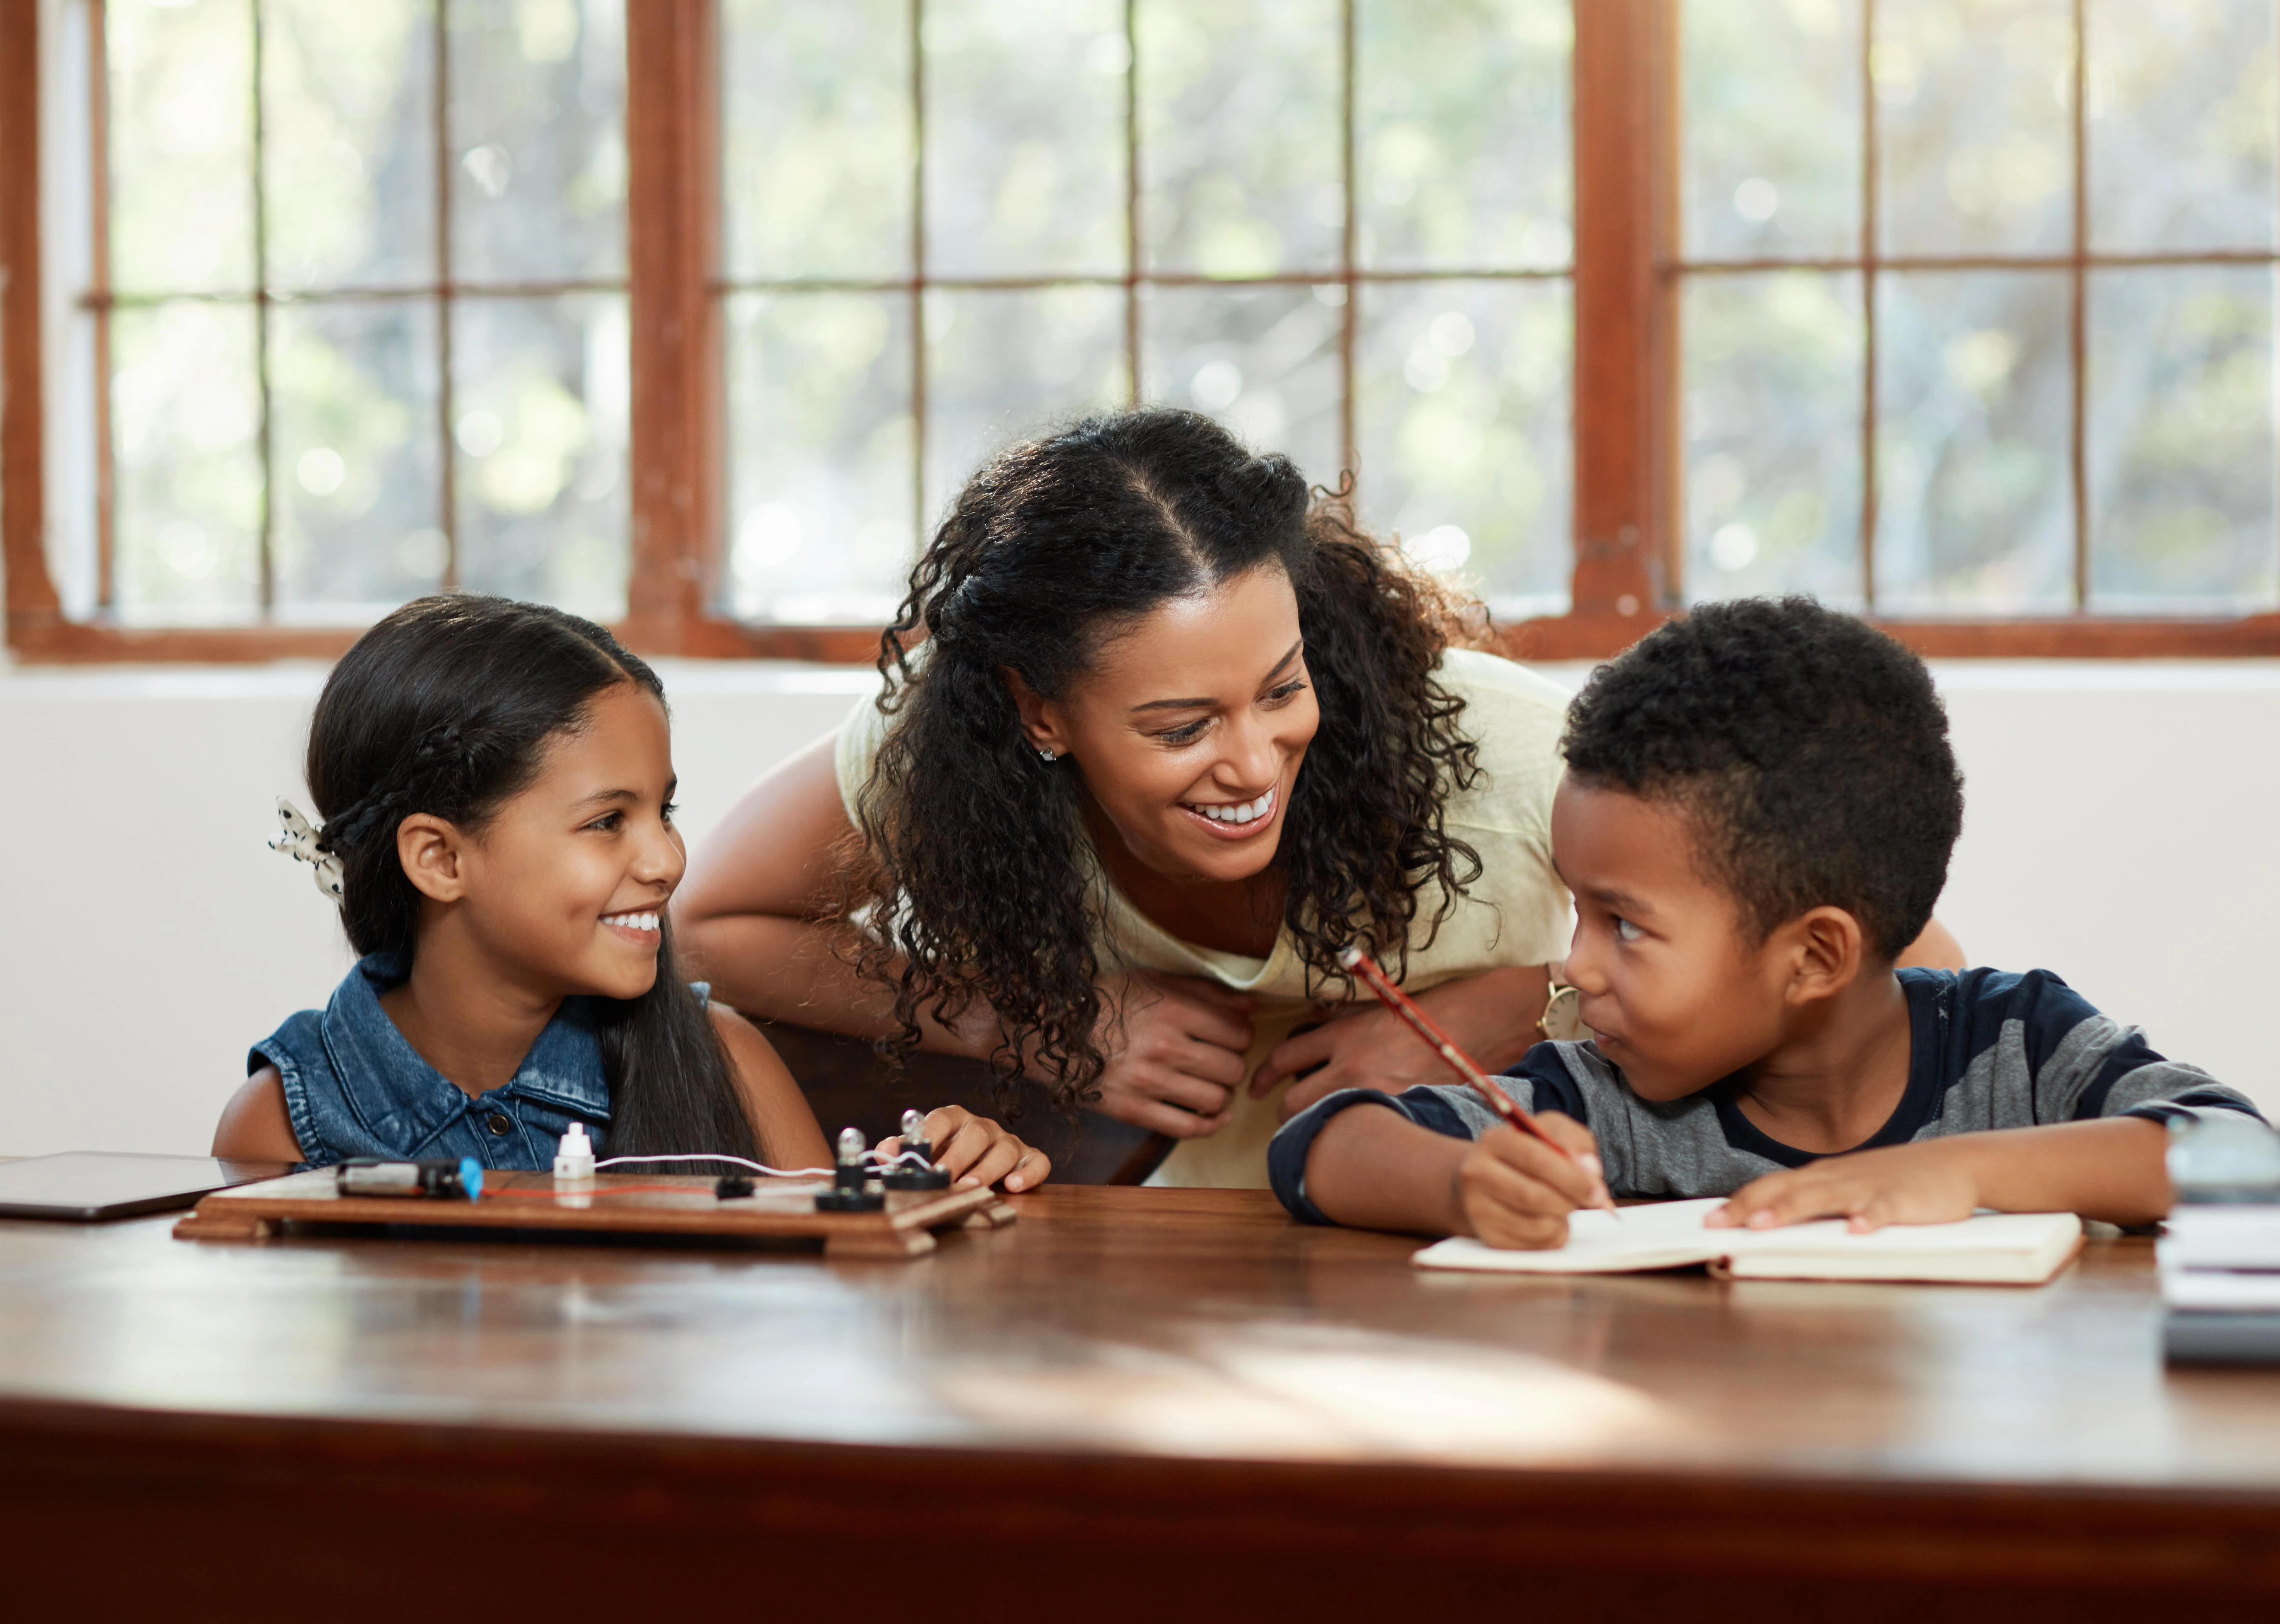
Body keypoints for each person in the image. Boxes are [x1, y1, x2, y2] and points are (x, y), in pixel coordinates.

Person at [677, 410, 1959, 1188]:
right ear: (1036, 712)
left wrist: (1533, 1002)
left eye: (1281, 688)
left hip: (1461, 1231)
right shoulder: (947, 741)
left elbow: (1898, 961)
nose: (1251, 759)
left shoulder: (1498, 745)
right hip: (1133, 1252)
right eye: (1180, 727)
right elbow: (715, 928)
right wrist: (1041, 1016)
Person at [1270, 596, 2262, 1243]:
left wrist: (1958, 1172)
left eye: (1623, 924)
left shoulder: (2016, 1048)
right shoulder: (1601, 1097)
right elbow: (1319, 1146)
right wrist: (1463, 1184)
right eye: (1579, 914)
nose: (1576, 968)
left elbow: (2245, 1160)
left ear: (1813, 955)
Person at [212, 594, 1047, 1196]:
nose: (668, 858)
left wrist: (951, 1181)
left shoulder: (724, 1063)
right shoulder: (280, 1127)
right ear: (438, 858)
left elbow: (827, 1326)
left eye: (664, 810)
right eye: (609, 821)